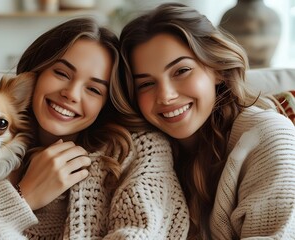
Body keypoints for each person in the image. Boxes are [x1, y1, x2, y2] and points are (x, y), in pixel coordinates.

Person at [0, 17, 189, 239]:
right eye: (62, 73)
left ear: (107, 101)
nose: (72, 93)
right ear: (34, 74)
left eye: (94, 89)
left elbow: (139, 233)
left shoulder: (139, 149)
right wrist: (24, 198)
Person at [118, 2, 295, 240]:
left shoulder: (269, 136)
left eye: (181, 71)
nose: (166, 95)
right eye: (146, 84)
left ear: (217, 68)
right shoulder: (145, 150)